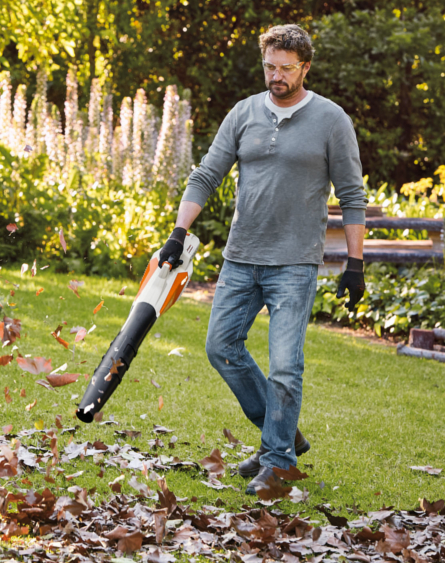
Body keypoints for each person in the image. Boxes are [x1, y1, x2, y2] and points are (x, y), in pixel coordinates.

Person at [156, 24, 367, 496]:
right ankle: (282, 432)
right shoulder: (244, 112)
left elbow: (352, 196)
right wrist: (178, 232)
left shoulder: (332, 121)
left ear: (305, 68)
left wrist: (355, 264)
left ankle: (277, 462)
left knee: (285, 366)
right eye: (270, 66)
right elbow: (207, 174)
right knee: (220, 347)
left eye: (286, 68)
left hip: (295, 262)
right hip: (241, 257)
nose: (276, 76)